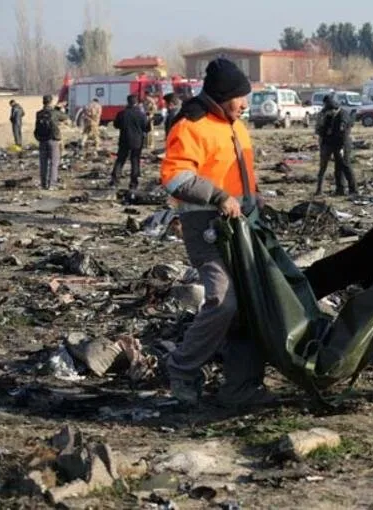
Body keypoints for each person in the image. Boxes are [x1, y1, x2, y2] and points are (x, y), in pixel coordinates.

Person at [160, 58, 271, 409]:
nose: (245, 104)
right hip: (206, 228)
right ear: (222, 96)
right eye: (240, 97)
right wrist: (219, 196)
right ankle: (181, 368)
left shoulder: (234, 124)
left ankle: (239, 386)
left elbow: (235, 172)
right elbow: (175, 178)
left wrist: (254, 196)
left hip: (241, 226)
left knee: (249, 304)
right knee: (224, 302)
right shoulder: (191, 124)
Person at [315, 93, 357, 196]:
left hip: (343, 143)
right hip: (333, 143)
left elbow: (344, 133)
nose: (329, 112)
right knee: (338, 168)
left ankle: (354, 190)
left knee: (346, 166)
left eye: (330, 110)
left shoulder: (343, 115)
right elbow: (322, 129)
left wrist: (342, 148)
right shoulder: (329, 115)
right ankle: (340, 189)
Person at [110, 95, 149, 189]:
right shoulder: (141, 114)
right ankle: (133, 183)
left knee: (120, 160)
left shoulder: (122, 113)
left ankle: (115, 180)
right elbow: (146, 128)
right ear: (136, 102)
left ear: (127, 102)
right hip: (137, 141)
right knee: (135, 161)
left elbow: (116, 125)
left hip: (124, 140)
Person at [33, 95, 69, 190]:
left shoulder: (39, 113)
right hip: (53, 140)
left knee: (43, 163)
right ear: (51, 102)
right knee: (54, 163)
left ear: (43, 102)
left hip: (42, 140)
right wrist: (59, 108)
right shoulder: (55, 113)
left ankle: (43, 184)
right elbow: (65, 117)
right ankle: (52, 184)